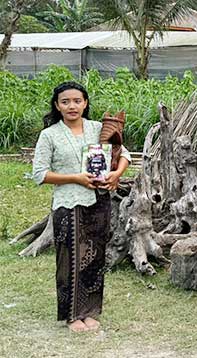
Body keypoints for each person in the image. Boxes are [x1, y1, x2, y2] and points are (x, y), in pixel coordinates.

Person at [32, 82, 131, 332]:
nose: (72, 106)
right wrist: (75, 178)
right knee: (70, 258)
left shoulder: (98, 129)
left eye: (77, 100)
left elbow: (125, 154)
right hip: (68, 202)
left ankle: (89, 311)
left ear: (85, 103)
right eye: (65, 102)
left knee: (94, 257)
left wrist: (116, 174)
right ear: (57, 106)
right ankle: (72, 315)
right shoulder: (50, 135)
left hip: (99, 201)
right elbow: (40, 174)